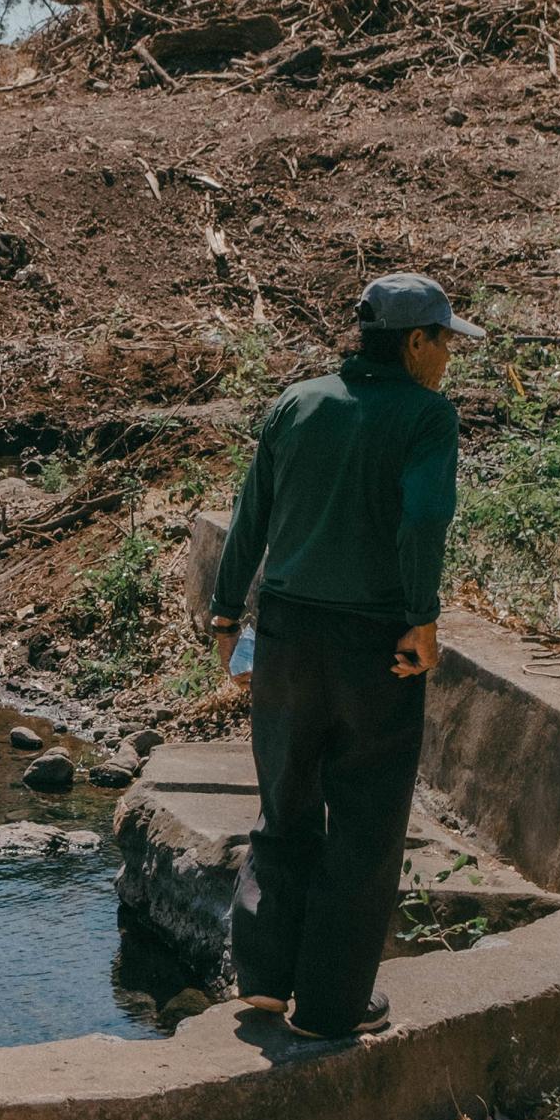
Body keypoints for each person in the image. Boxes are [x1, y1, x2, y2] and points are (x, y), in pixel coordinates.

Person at [206, 271, 480, 1039]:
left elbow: (250, 509)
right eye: (445, 342)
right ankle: (330, 1007)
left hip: (288, 633)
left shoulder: (298, 402)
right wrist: (422, 621)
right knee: (364, 818)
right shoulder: (427, 417)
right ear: (415, 342)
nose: (449, 358)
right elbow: (423, 520)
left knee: (284, 802)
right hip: (373, 646)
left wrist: (228, 611)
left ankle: (262, 979)